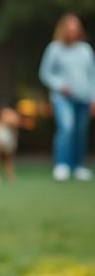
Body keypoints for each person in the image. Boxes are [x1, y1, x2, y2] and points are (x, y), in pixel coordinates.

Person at [39, 13, 95, 181]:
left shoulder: (85, 50)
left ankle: (77, 167)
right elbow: (45, 73)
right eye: (69, 27)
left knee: (80, 131)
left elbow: (92, 75)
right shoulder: (54, 48)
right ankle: (62, 165)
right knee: (67, 127)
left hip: (84, 98)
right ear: (63, 29)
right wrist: (59, 85)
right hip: (63, 98)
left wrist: (93, 98)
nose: (73, 30)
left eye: (75, 27)